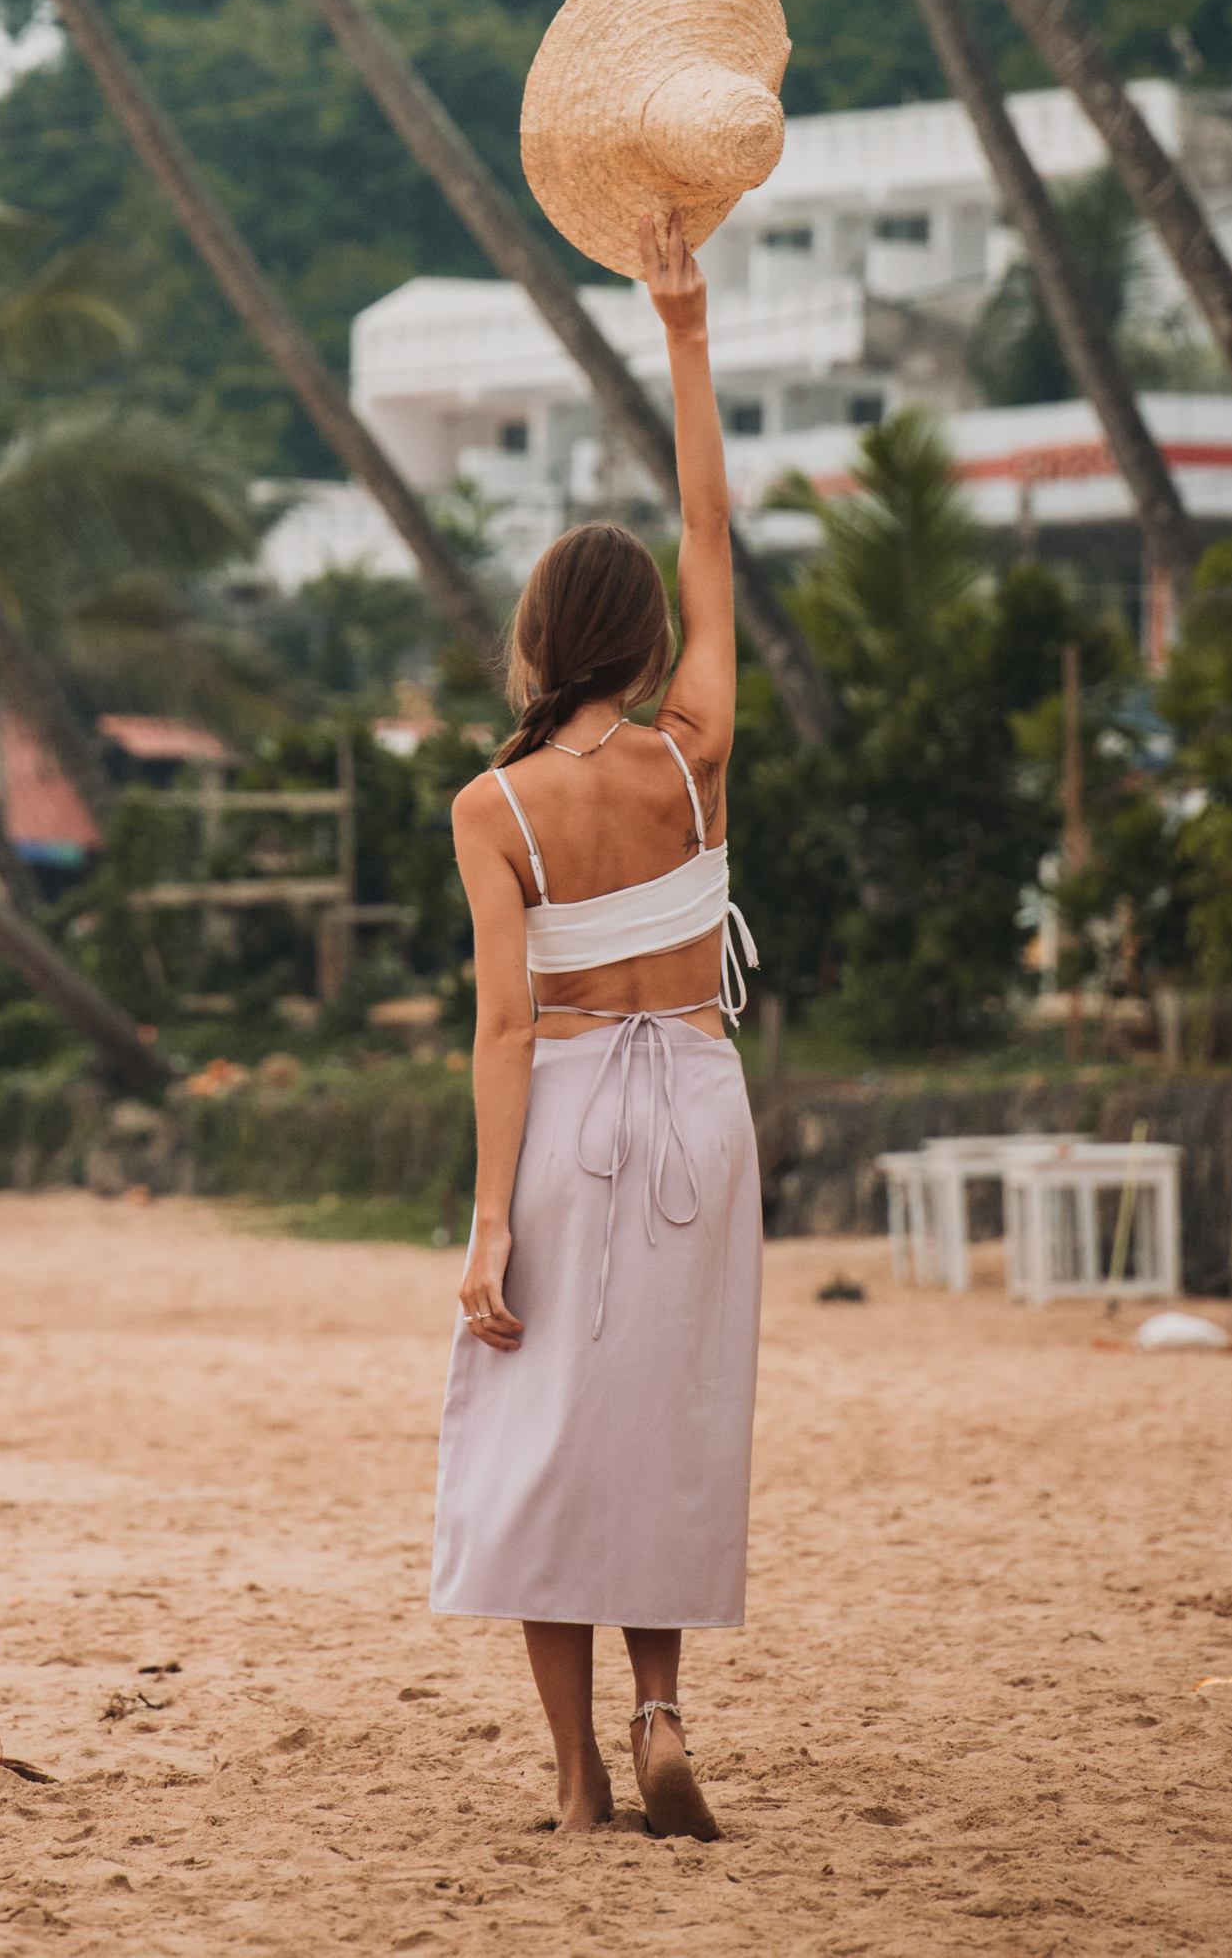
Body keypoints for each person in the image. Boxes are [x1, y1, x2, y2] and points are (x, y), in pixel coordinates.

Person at [428, 204, 760, 1840]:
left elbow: (504, 1026)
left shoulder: (493, 804)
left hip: (567, 1109)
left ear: (536, 642)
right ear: (640, 647)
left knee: (542, 1427)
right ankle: (661, 1701)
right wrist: (683, 327)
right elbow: (712, 530)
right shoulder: (696, 744)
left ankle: (575, 1779)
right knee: (668, 1415)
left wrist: (491, 1220)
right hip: (701, 1092)